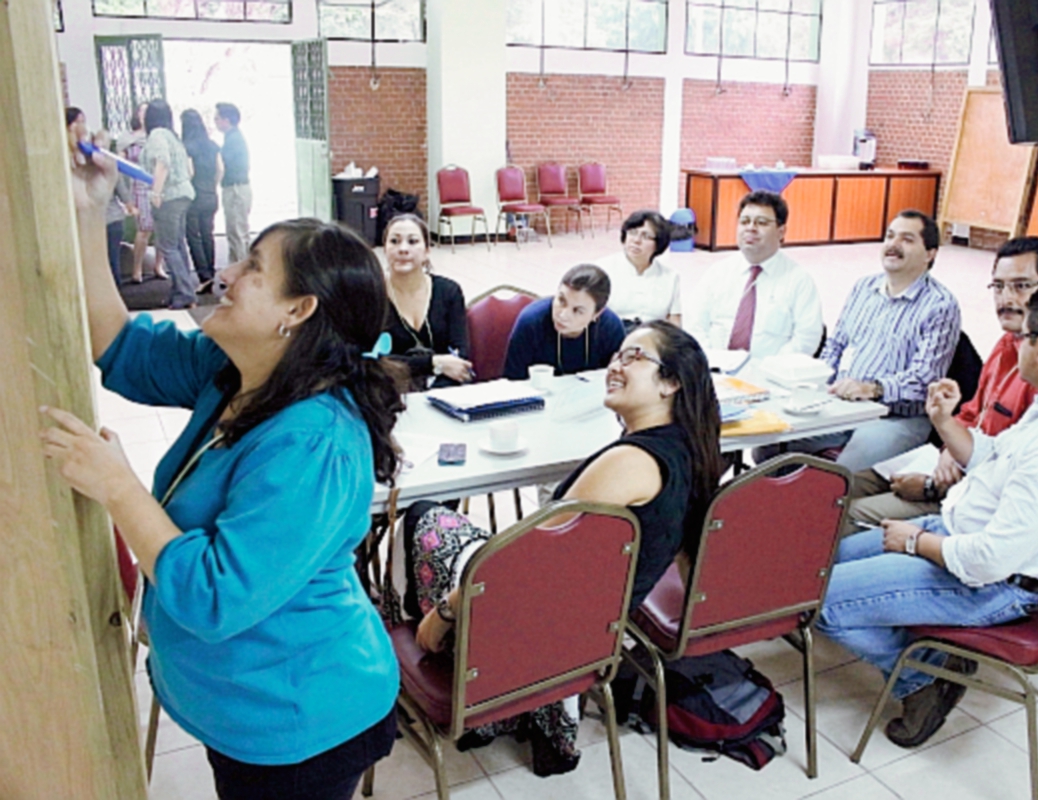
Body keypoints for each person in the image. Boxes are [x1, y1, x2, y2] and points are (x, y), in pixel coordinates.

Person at [43, 139, 404, 800]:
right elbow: (119, 344)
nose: (229, 273)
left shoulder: (315, 443)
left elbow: (215, 595)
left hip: (301, 719)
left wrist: (118, 487)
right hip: (243, 705)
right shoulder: (235, 372)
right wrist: (91, 212)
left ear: (298, 311)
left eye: (254, 267)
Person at [816, 282, 1038, 749]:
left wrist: (914, 542)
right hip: (959, 533)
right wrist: (945, 421)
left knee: (818, 599)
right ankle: (929, 652)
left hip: (991, 581)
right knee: (820, 566)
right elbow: (993, 457)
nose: (1014, 343)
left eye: (1022, 336)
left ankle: (923, 679)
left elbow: (990, 561)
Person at [404, 321, 723, 776]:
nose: (615, 365)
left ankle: (469, 691)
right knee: (452, 529)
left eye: (634, 357)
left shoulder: (631, 462)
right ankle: (523, 707)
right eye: (616, 355)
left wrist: (447, 611)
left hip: (540, 634)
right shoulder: (692, 449)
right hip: (594, 631)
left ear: (670, 382)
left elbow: (520, 556)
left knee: (426, 519)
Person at [848, 236, 1038, 524]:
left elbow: (1010, 471)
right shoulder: (1006, 344)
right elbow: (972, 414)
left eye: (1021, 286)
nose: (1006, 298)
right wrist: (950, 449)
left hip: (974, 495)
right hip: (954, 461)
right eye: (998, 286)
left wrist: (931, 487)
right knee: (838, 486)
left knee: (842, 515)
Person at [773, 210, 961, 472]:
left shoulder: (940, 306)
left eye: (907, 239)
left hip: (895, 417)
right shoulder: (864, 287)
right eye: (890, 236)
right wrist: (818, 383)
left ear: (930, 254)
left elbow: (924, 381)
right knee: (770, 445)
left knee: (845, 473)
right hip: (842, 404)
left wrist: (873, 389)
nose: (893, 245)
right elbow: (835, 345)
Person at [689, 190, 823, 357]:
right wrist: (710, 361)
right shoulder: (717, 273)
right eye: (744, 221)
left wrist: (769, 368)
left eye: (761, 223)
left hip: (773, 371)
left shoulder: (799, 281)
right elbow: (694, 326)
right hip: (715, 367)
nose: (751, 228)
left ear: (781, 231)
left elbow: (807, 338)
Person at [379, 213, 473, 389]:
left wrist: (435, 394)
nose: (403, 249)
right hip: (388, 392)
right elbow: (375, 363)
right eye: (394, 241)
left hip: (443, 391)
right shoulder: (372, 295)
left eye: (413, 241)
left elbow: (460, 357)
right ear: (384, 249)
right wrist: (434, 363)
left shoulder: (449, 291)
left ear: (427, 250)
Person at [503, 264, 626, 380]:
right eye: (561, 300)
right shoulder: (531, 322)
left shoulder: (611, 329)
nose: (563, 315)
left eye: (577, 310)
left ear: (597, 314)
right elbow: (513, 381)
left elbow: (621, 380)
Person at [141, 99, 198, 309]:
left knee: (168, 246)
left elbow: (162, 162)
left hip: (169, 196)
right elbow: (189, 170)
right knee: (178, 245)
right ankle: (181, 290)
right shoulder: (173, 136)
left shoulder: (157, 135)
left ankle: (185, 293)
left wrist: (156, 192)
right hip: (184, 193)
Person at [68, 107, 134, 286]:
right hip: (97, 220)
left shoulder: (96, 157)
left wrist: (128, 203)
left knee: (110, 264)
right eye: (76, 123)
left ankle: (118, 290)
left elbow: (118, 183)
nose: (81, 128)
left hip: (110, 218)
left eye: (83, 122)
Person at [595, 210, 682, 330]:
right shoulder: (602, 269)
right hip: (611, 336)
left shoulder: (671, 277)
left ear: (659, 243)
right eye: (632, 232)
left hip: (653, 337)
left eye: (646, 236)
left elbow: (674, 322)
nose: (636, 240)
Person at [117, 103, 168, 284]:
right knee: (144, 228)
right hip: (139, 186)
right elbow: (120, 162)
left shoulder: (158, 137)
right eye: (141, 111)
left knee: (162, 228)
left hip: (159, 184)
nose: (144, 114)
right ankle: (137, 268)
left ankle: (159, 265)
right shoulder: (128, 138)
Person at [181, 108, 223, 290]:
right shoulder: (212, 145)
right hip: (210, 194)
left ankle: (203, 275)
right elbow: (220, 169)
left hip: (194, 196)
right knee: (208, 234)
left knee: (193, 236)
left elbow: (190, 172)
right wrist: (212, 186)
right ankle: (211, 271)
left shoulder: (187, 147)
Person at [216, 102, 252, 265]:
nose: (215, 122)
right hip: (238, 187)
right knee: (237, 230)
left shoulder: (233, 140)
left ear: (227, 120)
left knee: (237, 231)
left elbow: (223, 166)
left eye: (217, 119)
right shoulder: (232, 138)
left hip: (235, 188)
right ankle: (238, 265)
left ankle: (241, 267)